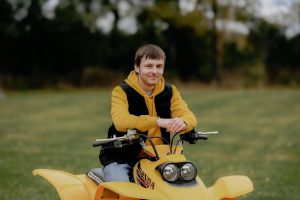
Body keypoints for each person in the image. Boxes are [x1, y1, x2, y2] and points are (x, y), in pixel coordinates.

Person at [99, 44, 197, 182]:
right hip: (122, 158)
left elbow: (189, 117)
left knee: (184, 185)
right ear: (137, 67)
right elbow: (121, 121)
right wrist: (157, 121)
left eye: (159, 66)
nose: (154, 71)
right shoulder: (121, 91)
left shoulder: (170, 91)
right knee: (123, 189)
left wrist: (183, 122)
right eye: (149, 66)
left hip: (160, 158)